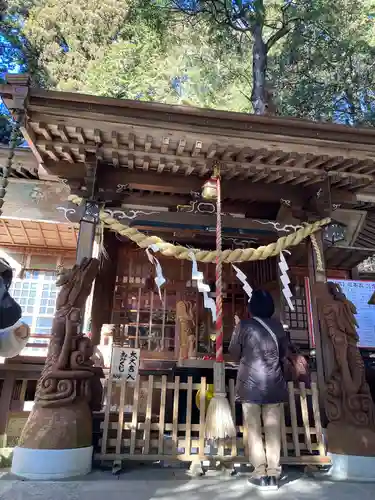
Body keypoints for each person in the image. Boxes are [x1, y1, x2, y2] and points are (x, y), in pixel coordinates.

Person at [229, 289, 288, 491]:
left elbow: (234, 354)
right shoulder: (278, 327)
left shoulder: (243, 326)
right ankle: (273, 473)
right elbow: (284, 355)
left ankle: (260, 472)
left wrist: (236, 329)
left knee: (253, 430)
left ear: (251, 307)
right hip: (274, 384)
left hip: (250, 385)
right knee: (273, 429)